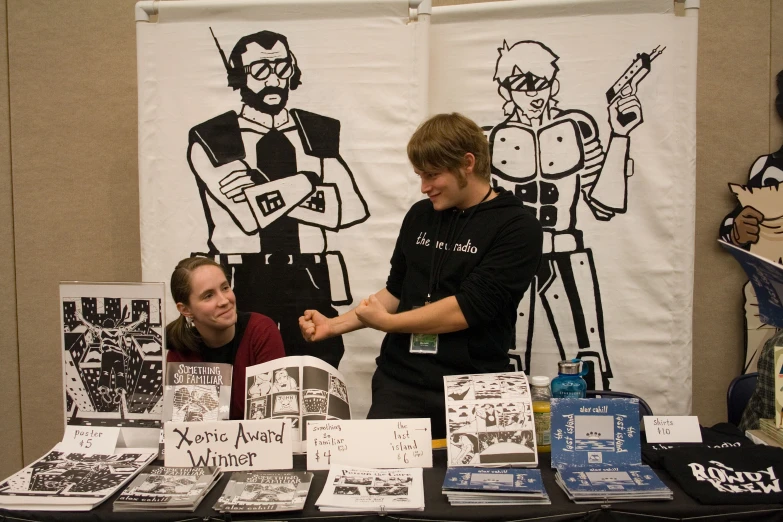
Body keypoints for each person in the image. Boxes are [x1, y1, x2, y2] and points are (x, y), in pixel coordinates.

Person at [299, 113, 543, 438]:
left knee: (475, 488)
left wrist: (387, 324)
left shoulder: (517, 227)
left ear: (467, 163)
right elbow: (395, 292)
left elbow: (465, 310)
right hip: (401, 383)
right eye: (420, 175)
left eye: (432, 175)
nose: (424, 187)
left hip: (475, 388)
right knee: (379, 482)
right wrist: (335, 325)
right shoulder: (420, 215)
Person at [186, 29, 369, 370]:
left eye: (282, 67)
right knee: (247, 377)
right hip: (244, 281)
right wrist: (307, 181)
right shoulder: (214, 137)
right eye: (259, 70)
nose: (274, 79)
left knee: (318, 379)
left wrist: (268, 191)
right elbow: (249, 214)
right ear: (239, 75)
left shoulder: (315, 130)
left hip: (310, 279)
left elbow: (352, 208)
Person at [488, 40, 650, 389]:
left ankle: (593, 431)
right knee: (505, 353)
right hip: (509, 259)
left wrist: (620, 135)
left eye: (540, 84)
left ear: (553, 84)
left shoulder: (577, 128)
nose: (532, 94)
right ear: (506, 89)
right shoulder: (490, 139)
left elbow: (604, 204)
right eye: (521, 86)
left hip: (565, 250)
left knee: (586, 354)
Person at [165, 257, 285, 419]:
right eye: (208, 296)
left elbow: (272, 417)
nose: (224, 301)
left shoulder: (261, 331)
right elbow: (185, 427)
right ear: (185, 309)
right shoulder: (179, 351)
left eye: (225, 288)